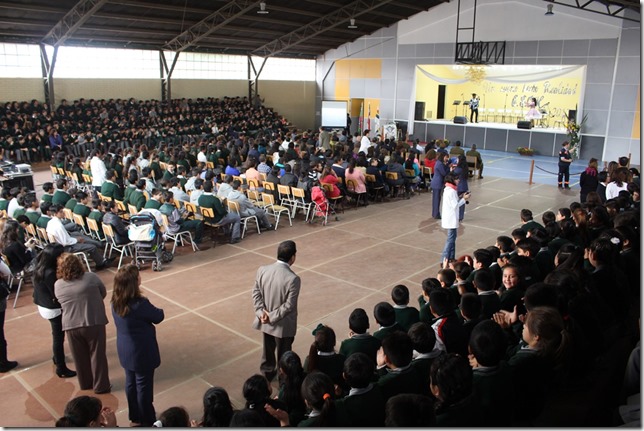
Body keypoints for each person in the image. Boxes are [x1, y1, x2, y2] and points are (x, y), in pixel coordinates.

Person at [111, 264, 164, 426]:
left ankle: (135, 415)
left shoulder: (115, 301)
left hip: (125, 348)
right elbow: (158, 316)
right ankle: (147, 419)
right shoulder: (139, 304)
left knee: (131, 383)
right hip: (141, 351)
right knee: (143, 387)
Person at [54, 253, 111, 394]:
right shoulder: (91, 278)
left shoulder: (58, 285)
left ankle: (85, 383)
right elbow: (102, 293)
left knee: (79, 357)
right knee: (97, 355)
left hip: (71, 325)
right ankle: (101, 386)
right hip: (93, 321)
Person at [252, 240, 300, 382]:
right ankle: (283, 380)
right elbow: (289, 306)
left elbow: (256, 293)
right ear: (293, 257)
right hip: (282, 324)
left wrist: (262, 314)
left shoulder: (262, 270)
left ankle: (267, 374)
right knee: (284, 354)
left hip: (264, 321)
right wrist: (272, 317)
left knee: (267, 350)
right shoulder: (293, 278)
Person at [32, 243, 76, 378]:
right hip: (52, 308)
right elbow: (57, 293)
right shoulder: (50, 273)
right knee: (58, 338)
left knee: (56, 335)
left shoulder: (38, 265)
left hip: (42, 304)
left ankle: (57, 358)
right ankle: (61, 367)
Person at [440, 173, 470, 262]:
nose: (458, 180)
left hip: (450, 218)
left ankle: (451, 257)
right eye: (456, 179)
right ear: (452, 180)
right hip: (451, 218)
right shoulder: (452, 191)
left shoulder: (448, 189)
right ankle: (444, 259)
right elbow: (455, 205)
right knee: (450, 240)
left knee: (452, 239)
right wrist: (464, 199)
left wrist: (460, 196)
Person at [430, 152, 449, 219]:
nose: (447, 158)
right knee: (437, 199)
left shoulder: (438, 163)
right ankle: (436, 214)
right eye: (446, 157)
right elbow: (444, 173)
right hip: (437, 183)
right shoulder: (440, 164)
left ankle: (435, 213)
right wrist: (448, 166)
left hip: (436, 182)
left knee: (436, 199)